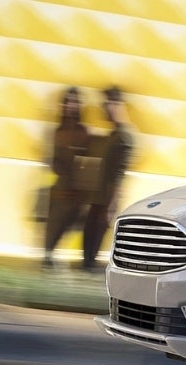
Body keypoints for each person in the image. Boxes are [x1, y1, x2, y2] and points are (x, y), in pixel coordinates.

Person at [81, 86, 137, 273]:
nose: (105, 109)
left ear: (118, 105)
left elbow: (120, 174)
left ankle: (89, 268)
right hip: (99, 196)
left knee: (95, 236)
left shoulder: (125, 137)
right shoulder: (113, 135)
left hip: (107, 197)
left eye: (109, 104)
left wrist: (112, 204)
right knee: (89, 234)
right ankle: (87, 266)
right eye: (105, 104)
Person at [41, 86, 92, 270]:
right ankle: (48, 259)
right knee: (52, 229)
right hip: (60, 190)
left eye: (75, 102)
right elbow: (51, 159)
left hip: (78, 192)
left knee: (70, 227)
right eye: (68, 101)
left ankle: (67, 260)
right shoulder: (58, 132)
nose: (71, 105)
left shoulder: (85, 132)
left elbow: (88, 162)